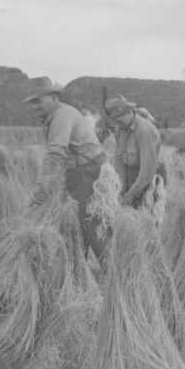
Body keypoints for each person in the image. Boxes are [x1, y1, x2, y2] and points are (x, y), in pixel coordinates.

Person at [24, 76, 110, 264]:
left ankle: (113, 275)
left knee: (91, 224)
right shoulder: (53, 117)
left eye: (38, 101)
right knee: (72, 226)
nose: (35, 107)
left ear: (54, 97)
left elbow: (56, 154)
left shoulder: (62, 116)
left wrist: (41, 187)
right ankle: (76, 275)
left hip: (88, 173)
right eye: (32, 103)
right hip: (77, 173)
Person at [105, 94, 167, 206]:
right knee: (128, 205)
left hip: (152, 175)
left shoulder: (143, 130)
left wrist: (133, 193)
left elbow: (148, 169)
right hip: (133, 171)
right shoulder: (120, 129)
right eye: (115, 121)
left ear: (128, 113)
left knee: (148, 210)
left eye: (118, 121)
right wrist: (122, 187)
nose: (117, 124)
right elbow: (119, 159)